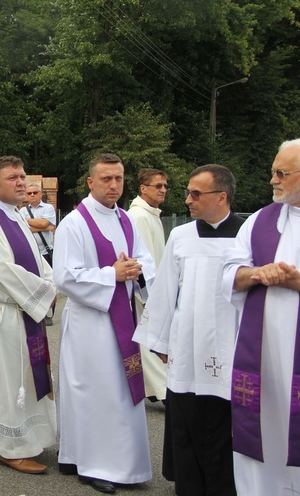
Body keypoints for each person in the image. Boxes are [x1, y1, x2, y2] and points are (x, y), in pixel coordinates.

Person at [134, 164, 242, 495]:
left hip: (229, 344)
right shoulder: (181, 235)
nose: (188, 200)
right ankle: (189, 483)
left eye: (196, 193)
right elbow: (165, 290)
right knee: (186, 416)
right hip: (187, 342)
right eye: (188, 193)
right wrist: (159, 340)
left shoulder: (247, 234)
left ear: (221, 197)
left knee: (225, 420)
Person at [53, 153, 155, 494]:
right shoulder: (75, 224)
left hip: (122, 318)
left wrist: (137, 270)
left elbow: (145, 260)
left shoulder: (126, 220)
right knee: (95, 392)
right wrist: (111, 274)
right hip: (91, 322)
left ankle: (119, 460)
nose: (114, 185)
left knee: (121, 391)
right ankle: (93, 463)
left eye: (119, 179)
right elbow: (65, 278)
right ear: (91, 182)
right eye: (107, 179)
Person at [0, 156, 57, 474]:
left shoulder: (15, 215)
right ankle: (11, 447)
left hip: (19, 310)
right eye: (13, 177)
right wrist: (44, 293)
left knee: (5, 378)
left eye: (22, 176)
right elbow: (3, 270)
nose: (21, 182)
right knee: (8, 380)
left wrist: (50, 282)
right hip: (2, 311)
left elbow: (35, 258)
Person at [222, 139, 300, 494]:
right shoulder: (257, 221)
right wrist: (256, 273)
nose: (273, 180)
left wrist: (293, 279)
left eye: (282, 173)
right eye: (274, 171)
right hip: (263, 359)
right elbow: (228, 274)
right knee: (262, 431)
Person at [127, 168, 169, 403]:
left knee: (150, 340)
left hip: (155, 287)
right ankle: (163, 391)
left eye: (165, 186)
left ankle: (154, 389)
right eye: (158, 186)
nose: (163, 190)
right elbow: (143, 258)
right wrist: (150, 293)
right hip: (145, 289)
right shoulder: (139, 216)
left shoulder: (151, 214)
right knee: (149, 340)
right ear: (143, 188)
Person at [19, 182, 57, 324]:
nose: (32, 195)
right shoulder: (22, 210)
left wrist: (29, 222)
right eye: (29, 193)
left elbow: (46, 225)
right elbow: (26, 229)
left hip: (46, 251)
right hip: (30, 252)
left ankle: (48, 313)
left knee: (48, 283)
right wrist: (43, 225)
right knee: (33, 283)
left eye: (35, 192)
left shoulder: (48, 208)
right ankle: (34, 311)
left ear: (41, 194)